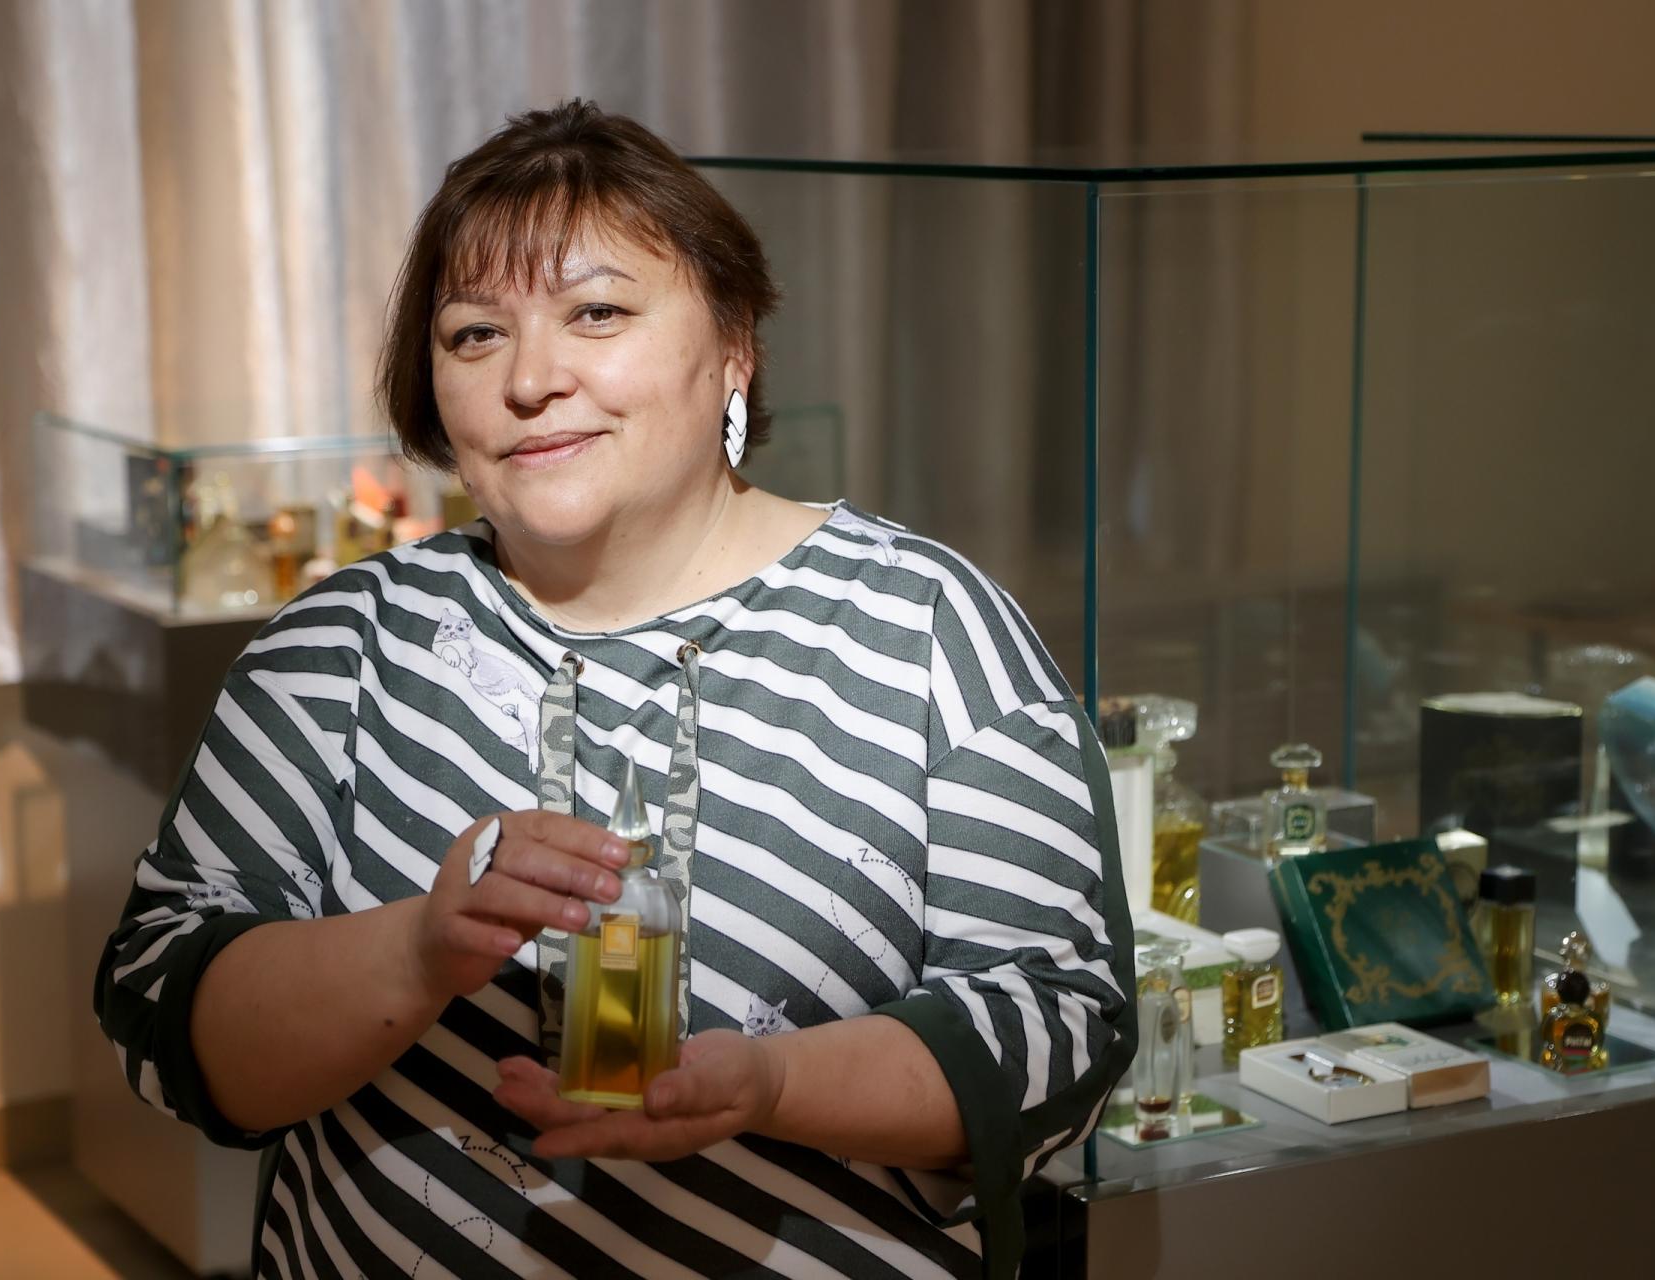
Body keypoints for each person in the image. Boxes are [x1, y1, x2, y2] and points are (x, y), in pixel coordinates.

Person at [95, 99, 1134, 1280]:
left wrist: (774, 1082)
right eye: (476, 333)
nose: (532, 378)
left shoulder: (931, 630)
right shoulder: (339, 646)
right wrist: (416, 951)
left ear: (734, 344)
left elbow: (1064, 1023)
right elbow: (159, 1002)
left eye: (597, 312)